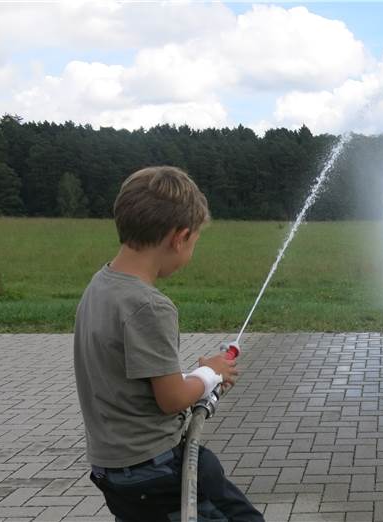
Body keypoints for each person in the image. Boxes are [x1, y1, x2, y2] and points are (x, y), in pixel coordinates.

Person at [74, 166, 264, 521]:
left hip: (114, 471)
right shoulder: (149, 305)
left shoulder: (100, 287)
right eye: (193, 243)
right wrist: (210, 374)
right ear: (180, 237)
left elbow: (141, 380)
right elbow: (171, 399)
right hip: (153, 468)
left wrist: (197, 376)